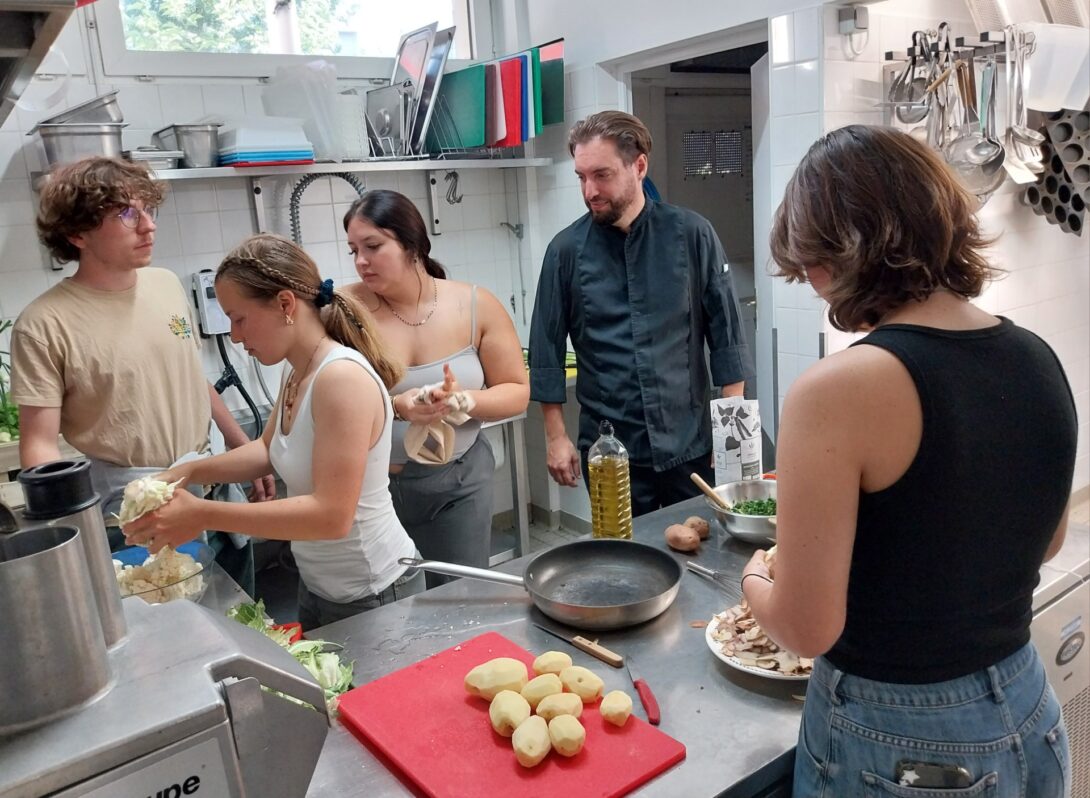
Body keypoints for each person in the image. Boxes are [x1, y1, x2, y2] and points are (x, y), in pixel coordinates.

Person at [743, 125, 1076, 796]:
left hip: (899, 742)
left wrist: (755, 581)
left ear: (844, 252)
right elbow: (1045, 543)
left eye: (809, 260)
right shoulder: (1037, 357)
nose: (810, 282)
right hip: (1027, 706)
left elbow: (808, 628)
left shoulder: (839, 388)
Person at [123, 234, 425, 630]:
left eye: (239, 318)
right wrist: (190, 472)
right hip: (320, 586)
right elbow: (267, 450)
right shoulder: (297, 369)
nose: (233, 335)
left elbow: (332, 516)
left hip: (374, 591)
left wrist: (203, 514)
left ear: (285, 304)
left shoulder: (341, 378)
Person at [9, 156, 274, 594]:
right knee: (166, 641)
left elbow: (189, 374)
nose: (148, 226)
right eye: (125, 215)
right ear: (76, 234)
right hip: (133, 512)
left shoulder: (165, 284)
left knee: (240, 622)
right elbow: (38, 442)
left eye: (148, 210)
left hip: (208, 487)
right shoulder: (44, 323)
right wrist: (67, 528)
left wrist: (237, 443)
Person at [528, 111, 750, 517]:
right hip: (610, 449)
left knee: (700, 546)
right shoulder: (565, 252)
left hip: (691, 445)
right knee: (624, 567)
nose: (589, 190)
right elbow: (545, 348)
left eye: (602, 175)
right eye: (581, 177)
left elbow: (727, 339)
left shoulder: (692, 234)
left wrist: (729, 437)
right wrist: (555, 437)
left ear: (639, 165)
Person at [342, 190, 529, 587]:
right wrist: (395, 405)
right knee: (390, 606)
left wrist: (461, 400)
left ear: (413, 245)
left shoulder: (475, 304)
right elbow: (328, 399)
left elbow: (516, 390)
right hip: (375, 488)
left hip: (458, 485)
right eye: (353, 250)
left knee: (461, 598)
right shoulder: (345, 311)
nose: (361, 261)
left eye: (373, 246)